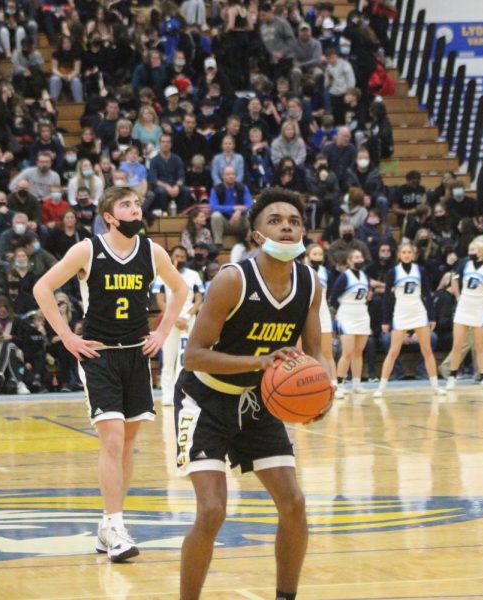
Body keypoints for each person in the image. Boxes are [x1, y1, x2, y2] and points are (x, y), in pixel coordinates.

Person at [174, 187, 331, 600]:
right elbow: (193, 356)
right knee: (212, 511)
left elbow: (316, 352)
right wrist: (259, 362)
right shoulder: (232, 280)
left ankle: (286, 596)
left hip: (258, 402)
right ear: (256, 235)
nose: (286, 226)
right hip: (204, 398)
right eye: (275, 220)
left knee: (294, 504)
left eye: (294, 221)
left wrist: (323, 393)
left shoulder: (310, 284)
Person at [33, 186, 187, 562]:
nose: (135, 209)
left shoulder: (152, 251)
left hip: (136, 353)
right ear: (110, 217)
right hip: (99, 355)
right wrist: (68, 337)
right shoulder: (88, 250)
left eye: (136, 203)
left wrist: (164, 330)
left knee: (127, 440)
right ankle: (116, 525)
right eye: (126, 205)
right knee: (113, 437)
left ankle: (108, 524)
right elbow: (42, 287)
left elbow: (181, 289)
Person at [375, 243, 445, 397]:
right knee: (393, 351)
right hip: (401, 313)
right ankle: (381, 387)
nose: (407, 254)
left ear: (413, 255)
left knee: (427, 350)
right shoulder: (393, 272)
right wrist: (385, 321)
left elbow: (427, 294)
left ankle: (435, 386)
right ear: (399, 255)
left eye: (409, 252)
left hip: (419, 312)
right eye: (404, 252)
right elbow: (387, 298)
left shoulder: (420, 270)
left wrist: (432, 316)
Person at [153, 245, 205, 406]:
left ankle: (184, 393)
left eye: (182, 256)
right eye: (177, 256)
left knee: (186, 359)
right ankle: (168, 395)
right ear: (171, 256)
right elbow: (160, 299)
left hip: (188, 321)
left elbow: (199, 299)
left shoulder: (194, 275)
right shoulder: (163, 275)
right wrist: (172, 316)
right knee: (169, 359)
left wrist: (188, 316)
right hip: (170, 321)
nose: (180, 259)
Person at [446, 239, 483, 390]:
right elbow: (454, 280)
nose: (470, 252)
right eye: (470, 249)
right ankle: (452, 376)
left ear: (481, 252)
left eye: (473, 249)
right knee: (457, 344)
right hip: (463, 307)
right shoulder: (464, 264)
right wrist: (457, 297)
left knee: (480, 346)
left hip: (479, 308)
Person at [330, 248, 371, 397]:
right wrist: (339, 313)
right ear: (349, 261)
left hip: (362, 314)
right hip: (346, 314)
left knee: (358, 352)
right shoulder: (344, 277)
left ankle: (356, 384)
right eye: (356, 257)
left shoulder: (365, 276)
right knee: (347, 352)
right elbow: (333, 298)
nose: (359, 259)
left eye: (360, 257)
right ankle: (339, 385)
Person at [305, 243, 337, 386]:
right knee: (303, 353)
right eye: (314, 254)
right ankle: (307, 384)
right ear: (307, 256)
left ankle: (333, 383)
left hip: (322, 312)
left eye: (320, 254)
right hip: (304, 313)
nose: (318, 257)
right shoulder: (301, 271)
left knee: (327, 352)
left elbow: (330, 294)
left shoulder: (327, 273)